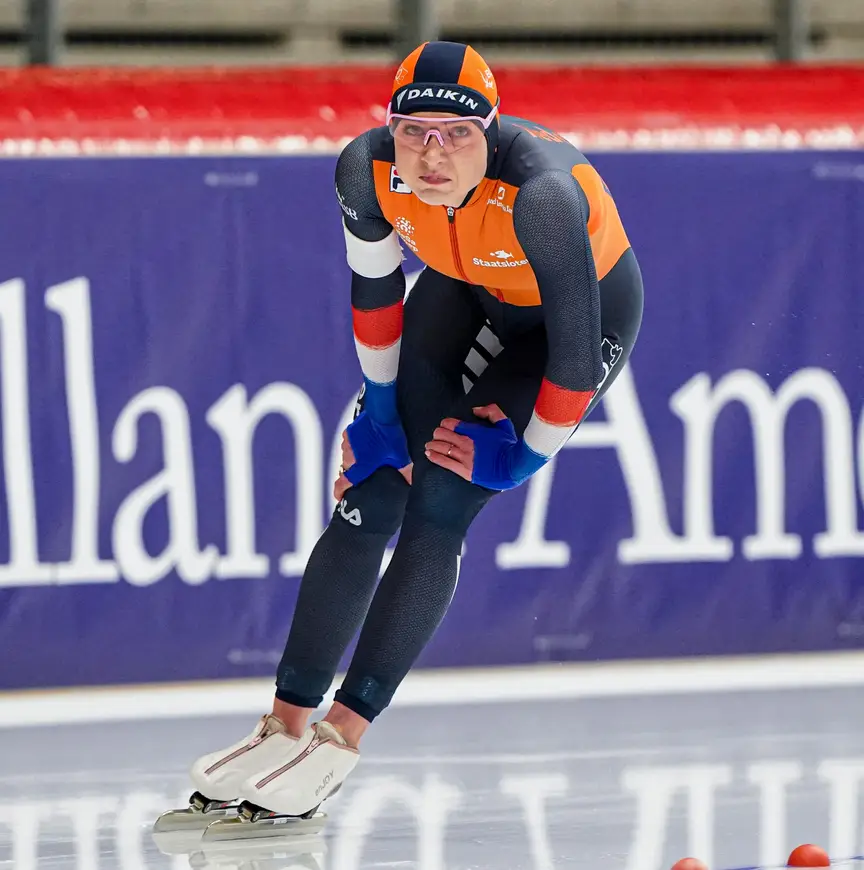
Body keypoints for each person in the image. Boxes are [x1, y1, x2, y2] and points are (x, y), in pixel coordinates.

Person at [187, 40, 644, 821]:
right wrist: (377, 406)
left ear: (491, 132)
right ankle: (285, 719)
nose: (432, 156)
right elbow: (376, 295)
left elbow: (572, 356)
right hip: (463, 290)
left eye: (457, 135)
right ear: (389, 130)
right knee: (370, 486)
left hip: (570, 329)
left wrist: (523, 456)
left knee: (443, 494)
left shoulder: (541, 194)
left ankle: (342, 733)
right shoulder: (365, 170)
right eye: (414, 132)